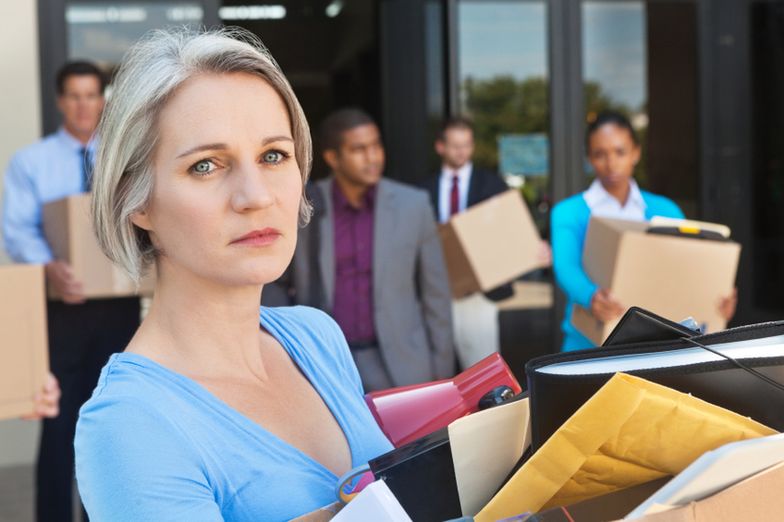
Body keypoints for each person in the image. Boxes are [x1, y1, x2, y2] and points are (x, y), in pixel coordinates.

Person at [74, 28, 393, 521]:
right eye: (206, 166)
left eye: (273, 156)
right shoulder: (130, 424)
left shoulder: (316, 336)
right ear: (136, 201)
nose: (256, 196)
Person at [2, 60, 141, 521]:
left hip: (120, 309)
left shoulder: (125, 158)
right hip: (62, 311)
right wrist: (49, 267)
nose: (84, 106)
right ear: (61, 101)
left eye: (92, 95)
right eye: (74, 96)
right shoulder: (31, 162)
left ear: (104, 99)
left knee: (114, 422)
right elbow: (16, 228)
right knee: (60, 423)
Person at [263, 108, 455, 391]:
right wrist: (289, 346)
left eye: (376, 145)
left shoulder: (413, 205)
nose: (373, 157)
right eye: (359, 149)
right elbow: (274, 280)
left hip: (403, 366)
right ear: (333, 158)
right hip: (326, 368)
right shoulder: (304, 207)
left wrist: (443, 375)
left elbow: (435, 294)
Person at [551, 111, 737, 351]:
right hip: (587, 343)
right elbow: (566, 267)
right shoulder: (568, 212)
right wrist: (591, 296)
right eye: (600, 154)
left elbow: (688, 266)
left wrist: (715, 297)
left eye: (620, 152)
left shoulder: (666, 210)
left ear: (635, 153)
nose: (611, 163)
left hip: (657, 345)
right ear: (589, 158)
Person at [419, 117, 550, 368]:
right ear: (440, 147)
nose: (461, 151)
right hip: (437, 291)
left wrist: (531, 249)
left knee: (482, 371)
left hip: (480, 292)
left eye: (467, 145)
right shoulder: (423, 190)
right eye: (455, 145)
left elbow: (513, 230)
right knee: (436, 371)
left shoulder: (493, 184)